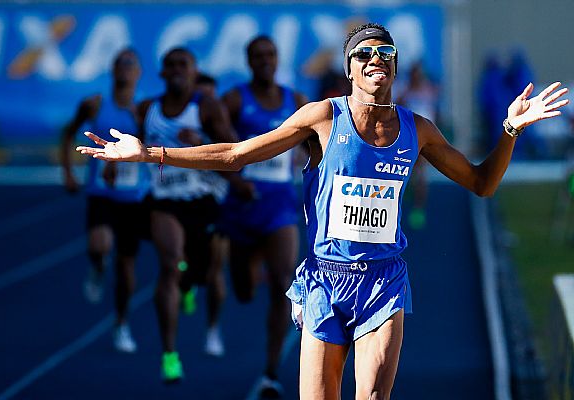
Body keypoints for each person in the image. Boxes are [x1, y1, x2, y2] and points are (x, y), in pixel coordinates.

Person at [77, 23, 568, 400]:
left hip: (383, 281)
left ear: (394, 69)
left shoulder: (418, 129)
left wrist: (509, 130)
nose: (377, 59)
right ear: (350, 69)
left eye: (386, 53)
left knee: (372, 395)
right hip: (324, 281)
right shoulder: (321, 118)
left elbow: (481, 185)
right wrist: (148, 154)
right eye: (365, 54)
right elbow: (236, 155)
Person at [136, 47, 236, 382]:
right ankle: (169, 354)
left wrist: (201, 139)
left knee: (206, 272)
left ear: (194, 72)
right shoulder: (147, 109)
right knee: (170, 264)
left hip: (203, 200)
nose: (177, 70)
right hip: (165, 201)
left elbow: (232, 148)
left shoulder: (206, 107)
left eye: (184, 65)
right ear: (162, 73)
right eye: (171, 65)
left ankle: (192, 284)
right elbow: (131, 142)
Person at [220, 35, 308, 397]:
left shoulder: (297, 102)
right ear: (249, 61)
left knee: (282, 284)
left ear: (277, 58)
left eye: (270, 54)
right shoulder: (236, 99)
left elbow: (315, 145)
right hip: (242, 207)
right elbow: (220, 144)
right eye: (258, 56)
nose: (265, 61)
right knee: (241, 289)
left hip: (279, 206)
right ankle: (253, 262)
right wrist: (233, 178)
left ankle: (270, 372)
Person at [61, 48, 149, 353]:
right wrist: (69, 173)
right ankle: (98, 266)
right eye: (120, 64)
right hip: (101, 193)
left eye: (131, 65)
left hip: (132, 197)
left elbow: (153, 148)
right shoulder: (95, 105)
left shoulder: (143, 110)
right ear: (113, 71)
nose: (125, 69)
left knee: (126, 267)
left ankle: (121, 323)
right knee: (100, 245)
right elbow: (68, 133)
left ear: (138, 73)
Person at [396, 61, 441, 230]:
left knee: (421, 173)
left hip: (425, 138)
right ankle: (401, 202)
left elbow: (435, 112)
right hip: (408, 138)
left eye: (420, 74)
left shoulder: (429, 91)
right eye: (415, 73)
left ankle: (418, 208)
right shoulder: (405, 92)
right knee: (404, 172)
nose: (417, 77)